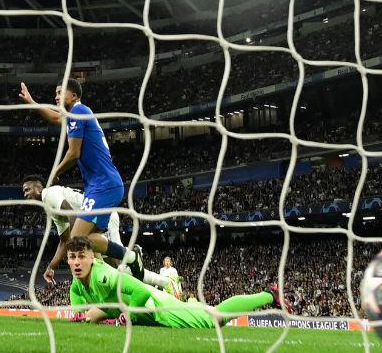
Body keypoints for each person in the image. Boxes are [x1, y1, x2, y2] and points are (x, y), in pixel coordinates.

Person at [17, 80, 144, 277]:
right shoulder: (74, 116)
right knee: (89, 239)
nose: (56, 96)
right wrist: (32, 102)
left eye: (60, 92)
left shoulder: (79, 111)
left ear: (74, 96)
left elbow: (74, 153)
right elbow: (55, 118)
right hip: (99, 186)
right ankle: (131, 258)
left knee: (76, 241)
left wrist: (55, 173)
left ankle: (122, 266)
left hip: (104, 185)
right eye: (55, 93)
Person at [66, 236, 282, 328]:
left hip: (158, 307)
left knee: (216, 319)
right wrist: (83, 313)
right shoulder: (77, 283)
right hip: (149, 309)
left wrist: (123, 317)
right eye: (72, 257)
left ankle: (270, 294)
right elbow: (79, 304)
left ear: (93, 257)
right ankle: (193, 305)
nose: (76, 262)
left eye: (81, 256)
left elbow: (142, 292)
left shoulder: (105, 275)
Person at [22, 176, 168, 289]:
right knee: (116, 271)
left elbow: (72, 214)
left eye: (27, 189)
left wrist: (78, 245)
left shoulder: (49, 193)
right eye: (24, 192)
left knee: (121, 267)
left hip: (104, 217)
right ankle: (163, 283)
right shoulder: (51, 209)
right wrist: (51, 266)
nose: (25, 194)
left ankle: (138, 260)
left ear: (39, 187)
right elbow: (64, 240)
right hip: (94, 225)